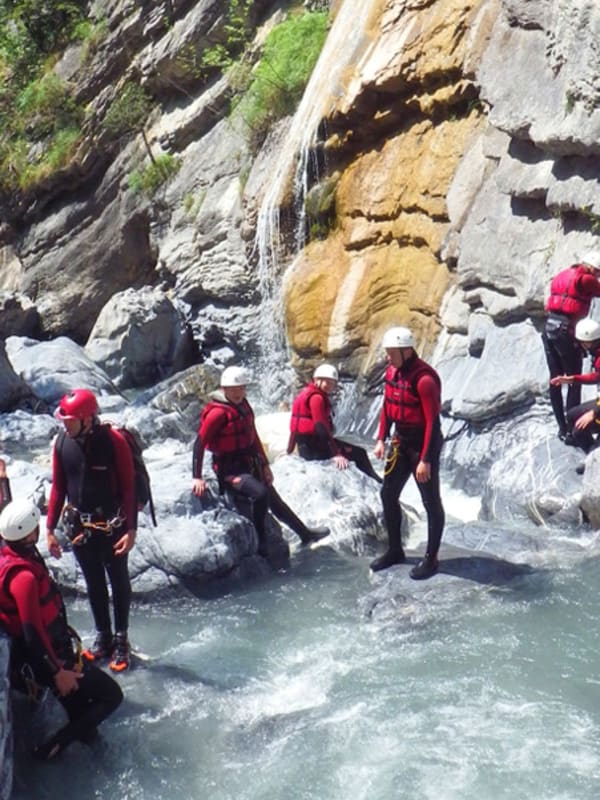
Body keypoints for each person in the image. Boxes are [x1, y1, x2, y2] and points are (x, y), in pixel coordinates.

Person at [0, 498, 122, 760]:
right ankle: (51, 749)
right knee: (111, 696)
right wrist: (58, 673)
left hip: (53, 650)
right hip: (51, 660)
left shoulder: (16, 553)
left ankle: (80, 747)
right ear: (29, 534)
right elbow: (32, 635)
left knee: (84, 718)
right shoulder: (24, 578)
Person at [192, 366, 329, 555]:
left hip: (250, 463)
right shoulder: (217, 414)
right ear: (224, 389)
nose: (239, 393)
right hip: (229, 469)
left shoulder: (244, 405)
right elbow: (199, 443)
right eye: (234, 389)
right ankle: (261, 540)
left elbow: (254, 437)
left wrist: (265, 465)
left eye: (242, 388)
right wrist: (196, 477)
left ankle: (305, 534)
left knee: (275, 500)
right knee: (260, 494)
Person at [46, 389, 137, 672]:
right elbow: (59, 486)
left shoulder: (114, 442)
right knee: (94, 582)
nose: (65, 424)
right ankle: (103, 637)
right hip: (80, 527)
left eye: (70, 419)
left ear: (87, 419)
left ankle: (121, 639)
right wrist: (49, 528)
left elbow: (129, 487)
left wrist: (131, 530)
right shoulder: (62, 442)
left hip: (112, 526)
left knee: (118, 580)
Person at [370, 326, 445, 579]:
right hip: (400, 442)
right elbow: (387, 407)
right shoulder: (392, 371)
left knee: (431, 501)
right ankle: (394, 550)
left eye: (392, 353)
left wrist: (425, 460)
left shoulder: (424, 380)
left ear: (406, 350)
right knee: (387, 493)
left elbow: (433, 424)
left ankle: (431, 559)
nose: (388, 357)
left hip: (423, 445)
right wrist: (381, 438)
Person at [287, 364, 382, 482]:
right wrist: (336, 454)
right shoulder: (317, 398)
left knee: (355, 449)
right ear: (317, 380)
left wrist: (289, 450)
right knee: (359, 453)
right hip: (314, 449)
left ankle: (374, 480)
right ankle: (376, 482)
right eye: (327, 382)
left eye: (332, 383)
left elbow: (295, 427)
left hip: (308, 446)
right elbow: (321, 427)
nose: (330, 386)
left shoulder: (303, 394)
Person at [543, 251, 600, 439]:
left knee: (556, 380)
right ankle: (572, 429)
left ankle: (562, 427)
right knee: (573, 380)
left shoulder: (562, 275)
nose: (598, 276)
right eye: (598, 272)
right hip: (566, 331)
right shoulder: (586, 279)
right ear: (592, 268)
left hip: (549, 328)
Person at [551, 316, 600, 452]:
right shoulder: (597, 354)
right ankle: (592, 450)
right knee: (572, 416)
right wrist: (573, 379)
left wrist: (593, 413)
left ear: (588, 342)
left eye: (581, 342)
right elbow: (597, 377)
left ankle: (594, 458)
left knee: (579, 431)